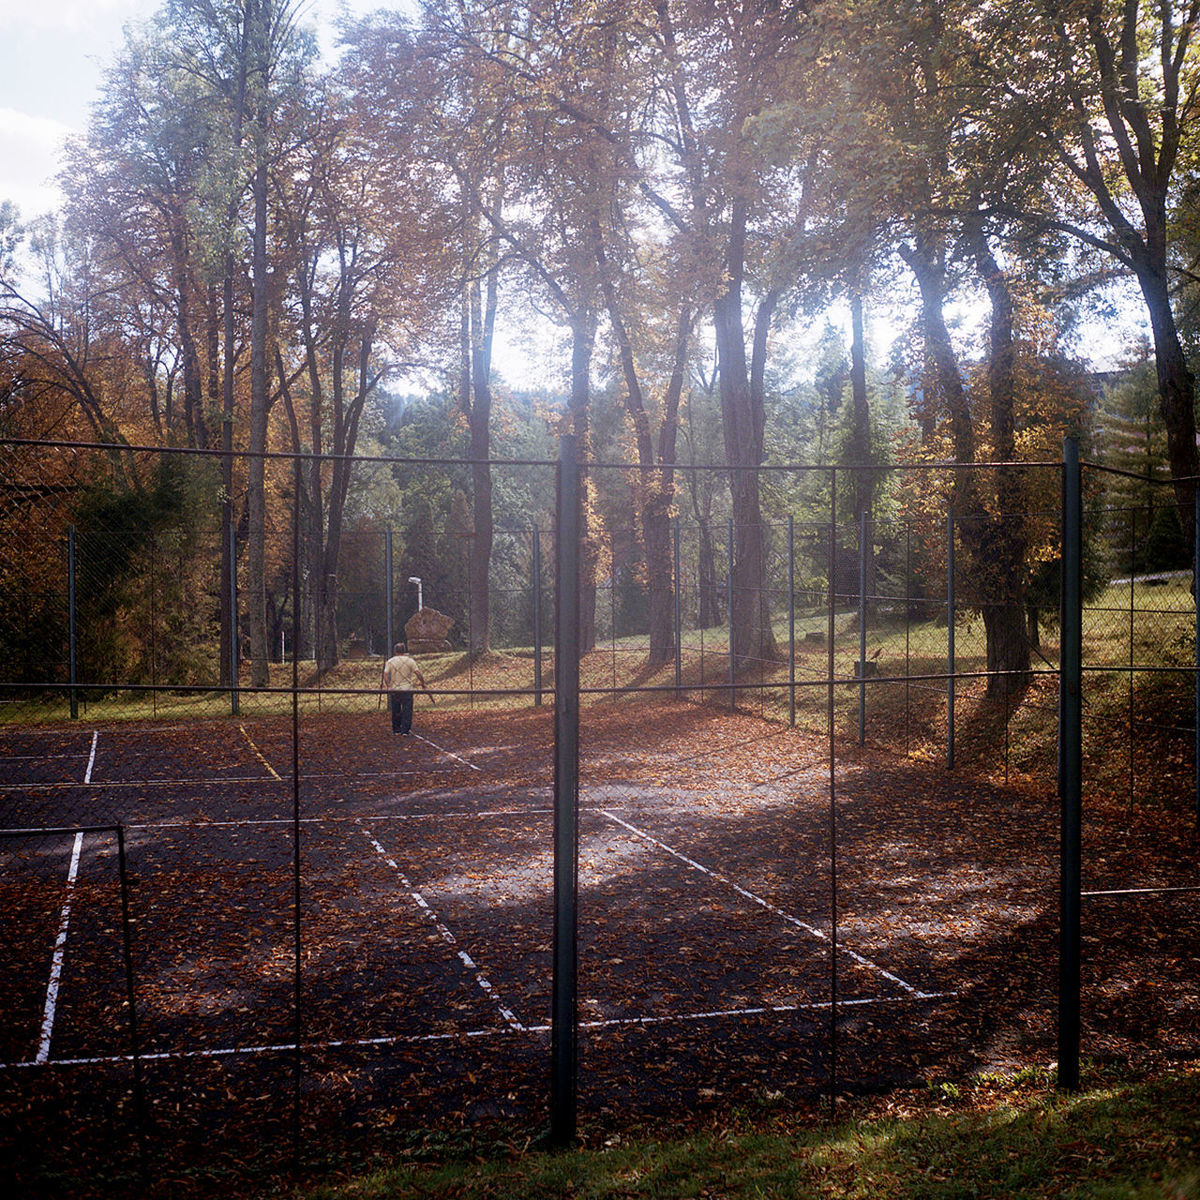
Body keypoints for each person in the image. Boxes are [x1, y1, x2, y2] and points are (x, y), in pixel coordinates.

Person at [381, 641, 428, 735]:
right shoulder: (410, 661)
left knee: (396, 709)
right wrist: (423, 683)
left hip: (395, 689)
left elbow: (385, 674)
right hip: (407, 689)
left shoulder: (390, 661)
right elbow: (418, 673)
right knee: (407, 710)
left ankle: (396, 729)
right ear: (404, 651)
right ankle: (405, 730)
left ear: (395, 651)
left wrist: (388, 686)